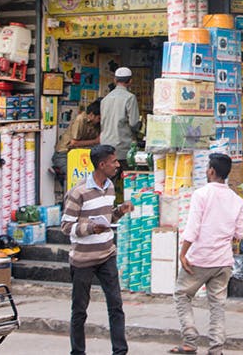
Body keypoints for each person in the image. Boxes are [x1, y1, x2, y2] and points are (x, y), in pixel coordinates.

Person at [170, 153, 243, 355]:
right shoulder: (237, 200)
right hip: (223, 261)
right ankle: (216, 348)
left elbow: (192, 228)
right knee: (217, 305)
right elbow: (241, 233)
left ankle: (189, 340)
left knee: (182, 294)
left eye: (207, 168)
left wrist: (183, 253)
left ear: (211, 171)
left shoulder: (201, 194)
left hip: (200, 258)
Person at [60, 144, 133, 355]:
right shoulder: (78, 192)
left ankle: (120, 351)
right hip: (83, 260)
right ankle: (78, 352)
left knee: (116, 306)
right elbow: (66, 227)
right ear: (102, 165)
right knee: (80, 311)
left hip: (106, 255)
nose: (117, 165)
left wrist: (120, 211)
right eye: (114, 161)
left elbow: (108, 218)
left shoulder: (110, 186)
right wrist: (91, 227)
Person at [52, 99, 101, 184]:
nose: (99, 120)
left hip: (81, 154)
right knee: (75, 177)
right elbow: (74, 143)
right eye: (99, 118)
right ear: (92, 115)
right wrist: (95, 141)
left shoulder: (96, 124)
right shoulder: (80, 119)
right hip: (65, 154)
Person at [100, 67, 140, 170]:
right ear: (130, 81)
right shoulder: (130, 98)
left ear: (115, 80)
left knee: (109, 178)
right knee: (128, 179)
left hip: (105, 145)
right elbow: (134, 123)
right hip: (123, 147)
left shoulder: (105, 99)